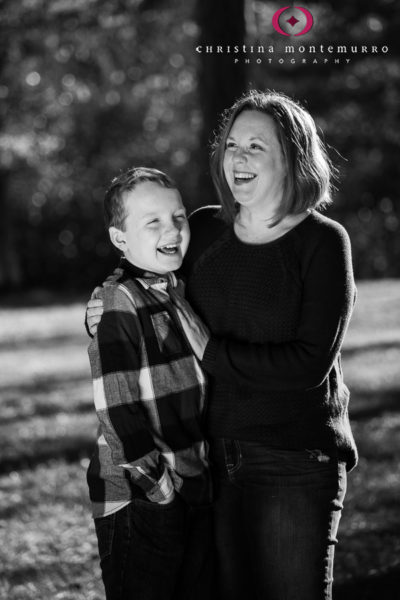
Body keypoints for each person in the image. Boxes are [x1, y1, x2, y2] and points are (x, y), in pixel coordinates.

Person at [87, 91, 358, 600]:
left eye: (257, 145)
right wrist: (102, 304)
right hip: (210, 461)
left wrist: (213, 353)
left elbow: (307, 366)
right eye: (232, 144)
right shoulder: (207, 228)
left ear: (293, 155)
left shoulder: (323, 242)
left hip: (294, 459)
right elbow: (147, 267)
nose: (239, 156)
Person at [86, 166, 213, 600]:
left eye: (178, 217)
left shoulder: (175, 288)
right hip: (141, 496)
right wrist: (159, 491)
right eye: (152, 221)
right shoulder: (118, 302)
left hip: (189, 483)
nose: (173, 229)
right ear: (120, 240)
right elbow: (117, 408)